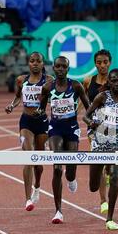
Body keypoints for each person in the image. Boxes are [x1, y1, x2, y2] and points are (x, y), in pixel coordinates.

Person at [37, 56, 90, 224]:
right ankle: (58, 210)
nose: (60, 69)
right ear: (53, 68)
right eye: (57, 66)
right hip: (55, 129)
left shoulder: (75, 86)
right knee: (57, 167)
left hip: (72, 129)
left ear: (68, 68)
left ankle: (72, 177)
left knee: (70, 168)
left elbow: (88, 108)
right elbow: (41, 108)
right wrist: (39, 113)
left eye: (63, 67)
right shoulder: (47, 87)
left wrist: (92, 121)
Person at [83, 69, 118, 230]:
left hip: (117, 145)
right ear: (109, 82)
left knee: (114, 178)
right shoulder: (102, 97)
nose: (117, 84)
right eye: (113, 81)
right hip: (99, 144)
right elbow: (86, 116)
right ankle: (100, 181)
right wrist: (91, 123)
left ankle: (110, 218)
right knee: (93, 186)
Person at [5, 52, 53, 211]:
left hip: (42, 122)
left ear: (42, 63)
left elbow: (55, 97)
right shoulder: (21, 80)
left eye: (38, 61)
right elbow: (18, 97)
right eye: (32, 61)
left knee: (38, 163)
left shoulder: (49, 80)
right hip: (26, 121)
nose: (35, 64)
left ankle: (37, 187)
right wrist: (12, 105)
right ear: (28, 63)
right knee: (28, 157)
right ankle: (27, 199)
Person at [81, 49, 112, 215]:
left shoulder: (115, 80)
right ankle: (103, 200)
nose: (102, 65)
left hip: (112, 126)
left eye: (105, 62)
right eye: (99, 62)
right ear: (95, 63)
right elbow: (84, 101)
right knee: (98, 158)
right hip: (94, 126)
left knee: (109, 163)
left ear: (110, 62)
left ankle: (108, 171)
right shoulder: (88, 81)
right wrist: (77, 114)